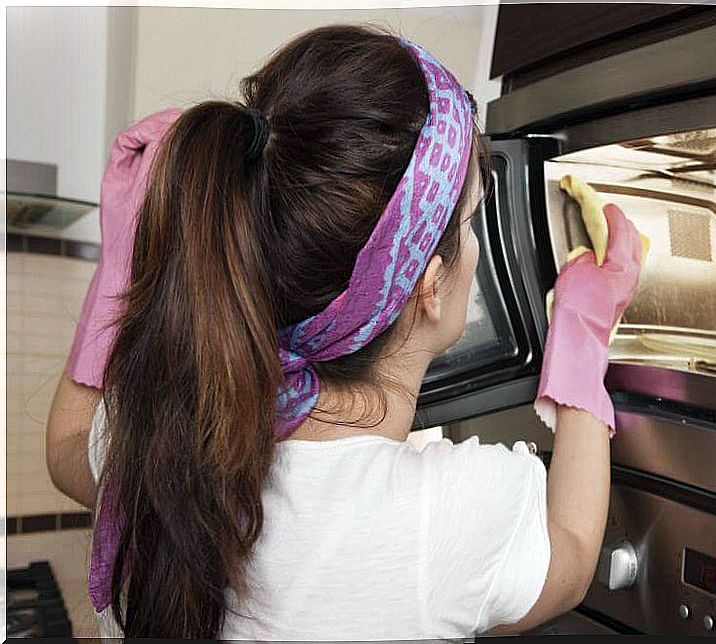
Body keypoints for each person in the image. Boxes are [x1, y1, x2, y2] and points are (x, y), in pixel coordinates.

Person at [45, 25, 643, 640]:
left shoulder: (154, 429)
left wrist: (128, 255)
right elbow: (569, 558)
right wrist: (582, 338)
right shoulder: (444, 517)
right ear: (428, 287)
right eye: (469, 222)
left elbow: (66, 447)